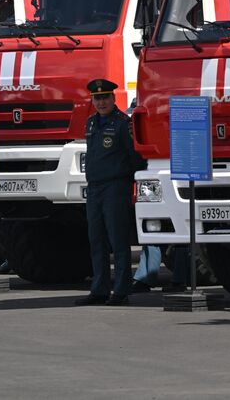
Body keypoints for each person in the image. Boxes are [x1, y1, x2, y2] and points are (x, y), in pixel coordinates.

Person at [76, 78, 145, 306]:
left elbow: (135, 158)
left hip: (115, 187)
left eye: (105, 97)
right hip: (95, 188)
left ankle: (121, 290)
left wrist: (128, 182)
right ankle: (99, 289)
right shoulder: (91, 124)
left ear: (114, 98)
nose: (101, 102)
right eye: (97, 98)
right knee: (96, 240)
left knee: (118, 240)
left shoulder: (122, 123)